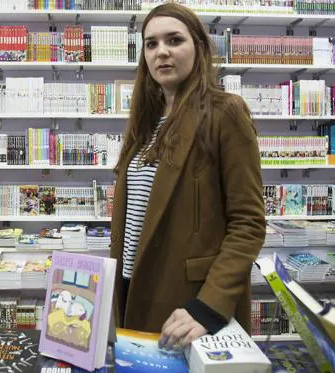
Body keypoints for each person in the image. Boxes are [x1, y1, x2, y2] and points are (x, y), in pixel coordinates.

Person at [109, 3, 266, 350]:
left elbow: (249, 223)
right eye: (151, 44)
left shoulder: (225, 112)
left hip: (188, 307)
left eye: (174, 40)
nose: (161, 51)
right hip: (132, 295)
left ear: (198, 46)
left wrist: (207, 307)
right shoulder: (145, 124)